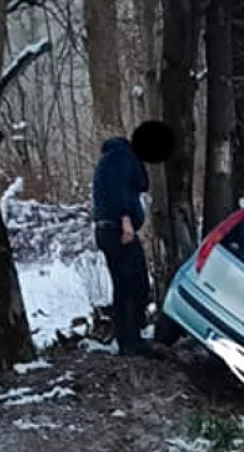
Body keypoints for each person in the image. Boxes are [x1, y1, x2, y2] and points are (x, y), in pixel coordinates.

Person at [92, 121, 173, 357]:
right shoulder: (121, 156)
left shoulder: (118, 157)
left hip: (110, 229)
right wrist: (126, 221)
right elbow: (116, 192)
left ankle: (129, 339)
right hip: (117, 229)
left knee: (127, 285)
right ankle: (131, 342)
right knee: (133, 284)